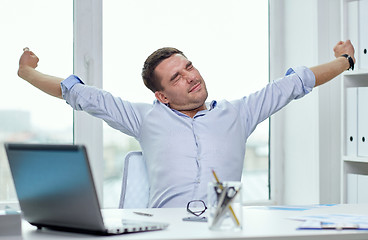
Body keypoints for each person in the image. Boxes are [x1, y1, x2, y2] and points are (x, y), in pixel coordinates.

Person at [18, 41, 355, 208]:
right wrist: (28, 72)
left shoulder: (239, 113)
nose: (191, 77)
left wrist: (345, 60)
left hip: (223, 230)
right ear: (162, 96)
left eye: (189, 66)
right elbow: (79, 94)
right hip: (164, 232)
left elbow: (296, 84)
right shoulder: (145, 117)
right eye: (176, 77)